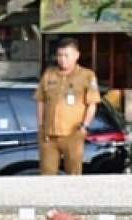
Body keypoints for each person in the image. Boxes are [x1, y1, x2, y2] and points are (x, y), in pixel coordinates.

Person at [35, 37, 100, 175]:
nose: (62, 59)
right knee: (46, 175)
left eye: (66, 55)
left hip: (73, 134)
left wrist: (84, 127)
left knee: (73, 175)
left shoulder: (87, 76)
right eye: (59, 55)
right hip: (49, 135)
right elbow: (41, 101)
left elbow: (92, 104)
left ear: (76, 55)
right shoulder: (49, 74)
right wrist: (41, 126)